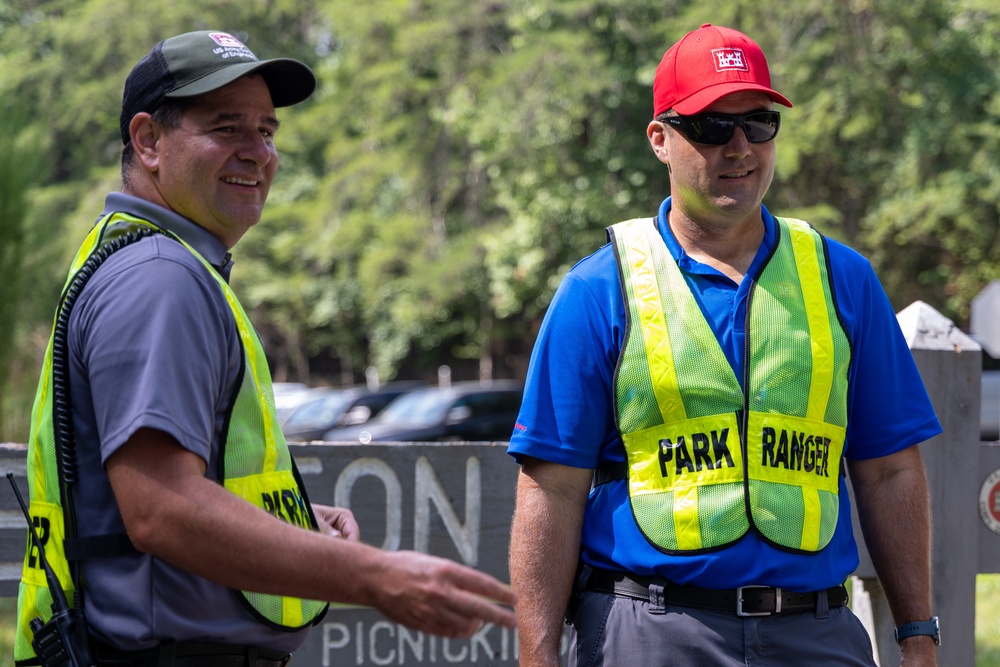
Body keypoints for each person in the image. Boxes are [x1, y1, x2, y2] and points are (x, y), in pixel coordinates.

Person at [16, 30, 515, 666]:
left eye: (268, 131)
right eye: (226, 128)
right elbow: (161, 508)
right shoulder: (161, 278)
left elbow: (149, 496)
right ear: (148, 142)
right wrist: (371, 576)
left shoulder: (145, 260)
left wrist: (279, 522)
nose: (258, 153)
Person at [507, 23, 940, 667]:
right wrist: (537, 659)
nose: (740, 147)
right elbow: (552, 489)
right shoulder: (599, 289)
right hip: (651, 631)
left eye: (759, 123)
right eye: (711, 127)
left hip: (816, 634)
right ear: (660, 138)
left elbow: (889, 469)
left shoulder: (843, 278)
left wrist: (918, 636)